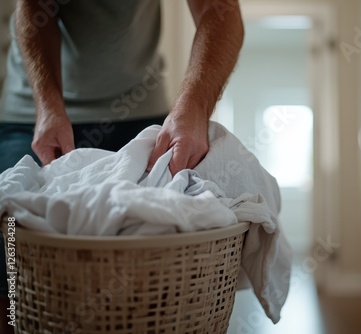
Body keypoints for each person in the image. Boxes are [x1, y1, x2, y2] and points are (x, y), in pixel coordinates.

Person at [0, 0, 244, 332]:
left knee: (150, 264)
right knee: (11, 247)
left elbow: (219, 10)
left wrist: (194, 110)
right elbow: (36, 8)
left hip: (138, 112)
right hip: (34, 112)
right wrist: (49, 105)